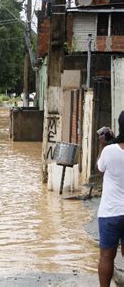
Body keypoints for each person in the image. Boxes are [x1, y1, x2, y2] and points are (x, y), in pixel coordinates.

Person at [97, 110, 124, 286]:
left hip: (110, 213)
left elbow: (99, 168)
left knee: (107, 256)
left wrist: (103, 145)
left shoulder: (109, 150)